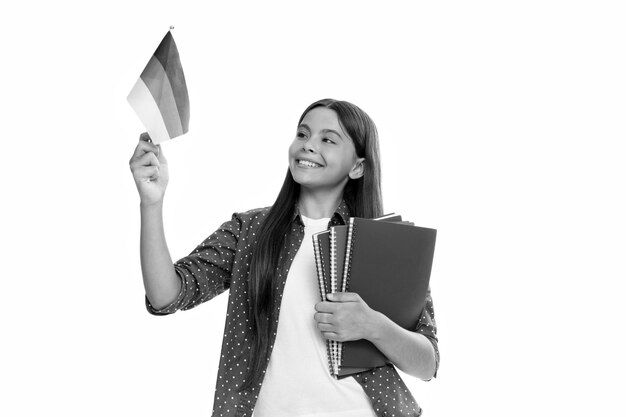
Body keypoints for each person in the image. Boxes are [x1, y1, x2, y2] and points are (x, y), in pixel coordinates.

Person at [129, 98, 439, 417]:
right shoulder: (249, 231)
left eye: (327, 139)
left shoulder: (385, 244)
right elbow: (167, 296)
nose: (308, 145)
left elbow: (427, 363)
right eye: (302, 134)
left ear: (357, 166)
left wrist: (373, 326)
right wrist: (151, 203)